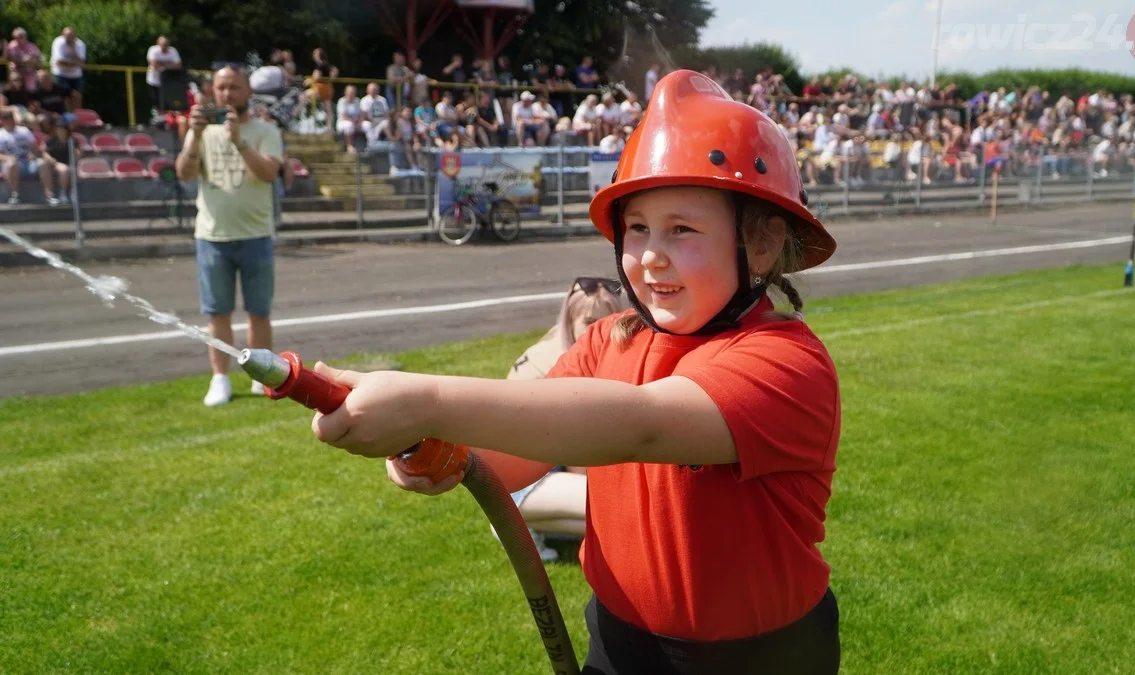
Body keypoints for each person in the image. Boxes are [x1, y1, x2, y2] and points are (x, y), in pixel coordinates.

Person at [308, 70, 842, 674]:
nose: (649, 255)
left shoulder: (787, 364)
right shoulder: (606, 342)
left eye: (682, 229)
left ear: (765, 246)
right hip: (620, 644)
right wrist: (432, 449)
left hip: (765, 659)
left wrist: (425, 399)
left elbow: (642, 425)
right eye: (636, 228)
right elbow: (514, 458)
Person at [175, 65, 284, 407]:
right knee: (217, 313)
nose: (227, 94)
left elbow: (269, 173)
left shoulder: (265, 130)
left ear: (248, 92)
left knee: (258, 312)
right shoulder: (202, 132)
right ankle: (219, 377)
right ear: (212, 92)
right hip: (212, 235)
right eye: (221, 88)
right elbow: (185, 172)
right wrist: (192, 136)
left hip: (255, 233)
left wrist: (239, 142)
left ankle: (261, 374)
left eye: (234, 88)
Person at [501, 276, 629, 562]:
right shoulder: (568, 363)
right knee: (620, 508)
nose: (600, 329)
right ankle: (515, 525)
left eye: (610, 319)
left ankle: (529, 524)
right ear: (570, 319)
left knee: (611, 513)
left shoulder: (560, 340)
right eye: (590, 322)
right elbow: (578, 451)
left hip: (527, 466)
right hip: (517, 479)